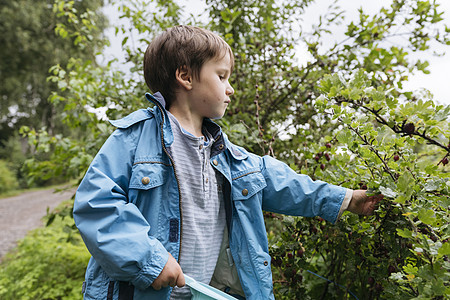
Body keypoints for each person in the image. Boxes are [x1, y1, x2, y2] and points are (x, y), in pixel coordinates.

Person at [73, 25, 381, 300]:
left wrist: (345, 199)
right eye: (221, 76)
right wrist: (149, 259)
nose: (230, 88)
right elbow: (97, 204)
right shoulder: (136, 138)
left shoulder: (224, 153)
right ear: (185, 77)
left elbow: (281, 181)